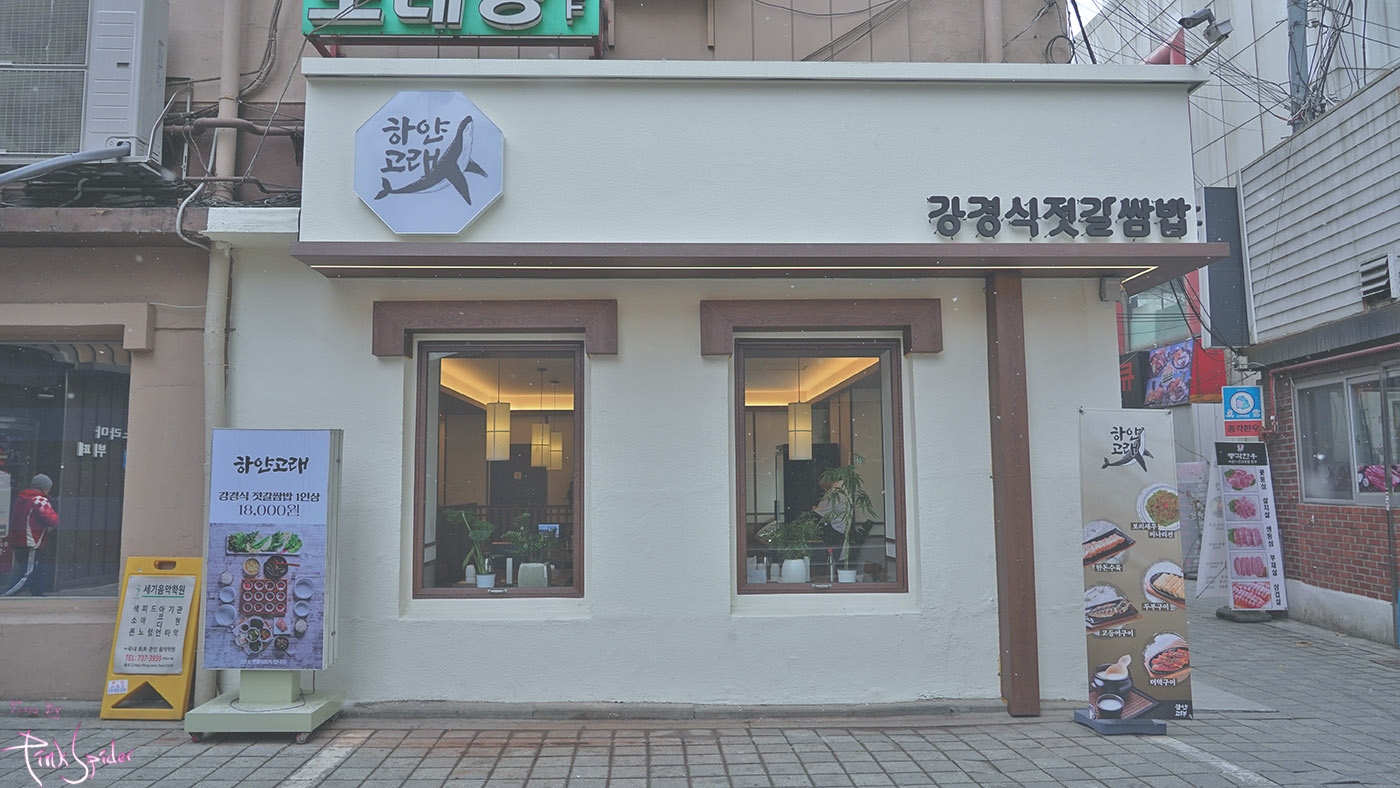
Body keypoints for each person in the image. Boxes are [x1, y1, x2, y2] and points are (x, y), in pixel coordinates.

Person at [4, 474, 58, 597]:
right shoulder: (39, 500)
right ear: (44, 488)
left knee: (37, 569)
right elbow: (52, 519)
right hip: (31, 541)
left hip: (18, 540)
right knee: (27, 573)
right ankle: (5, 596)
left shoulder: (22, 498)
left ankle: (38, 594)